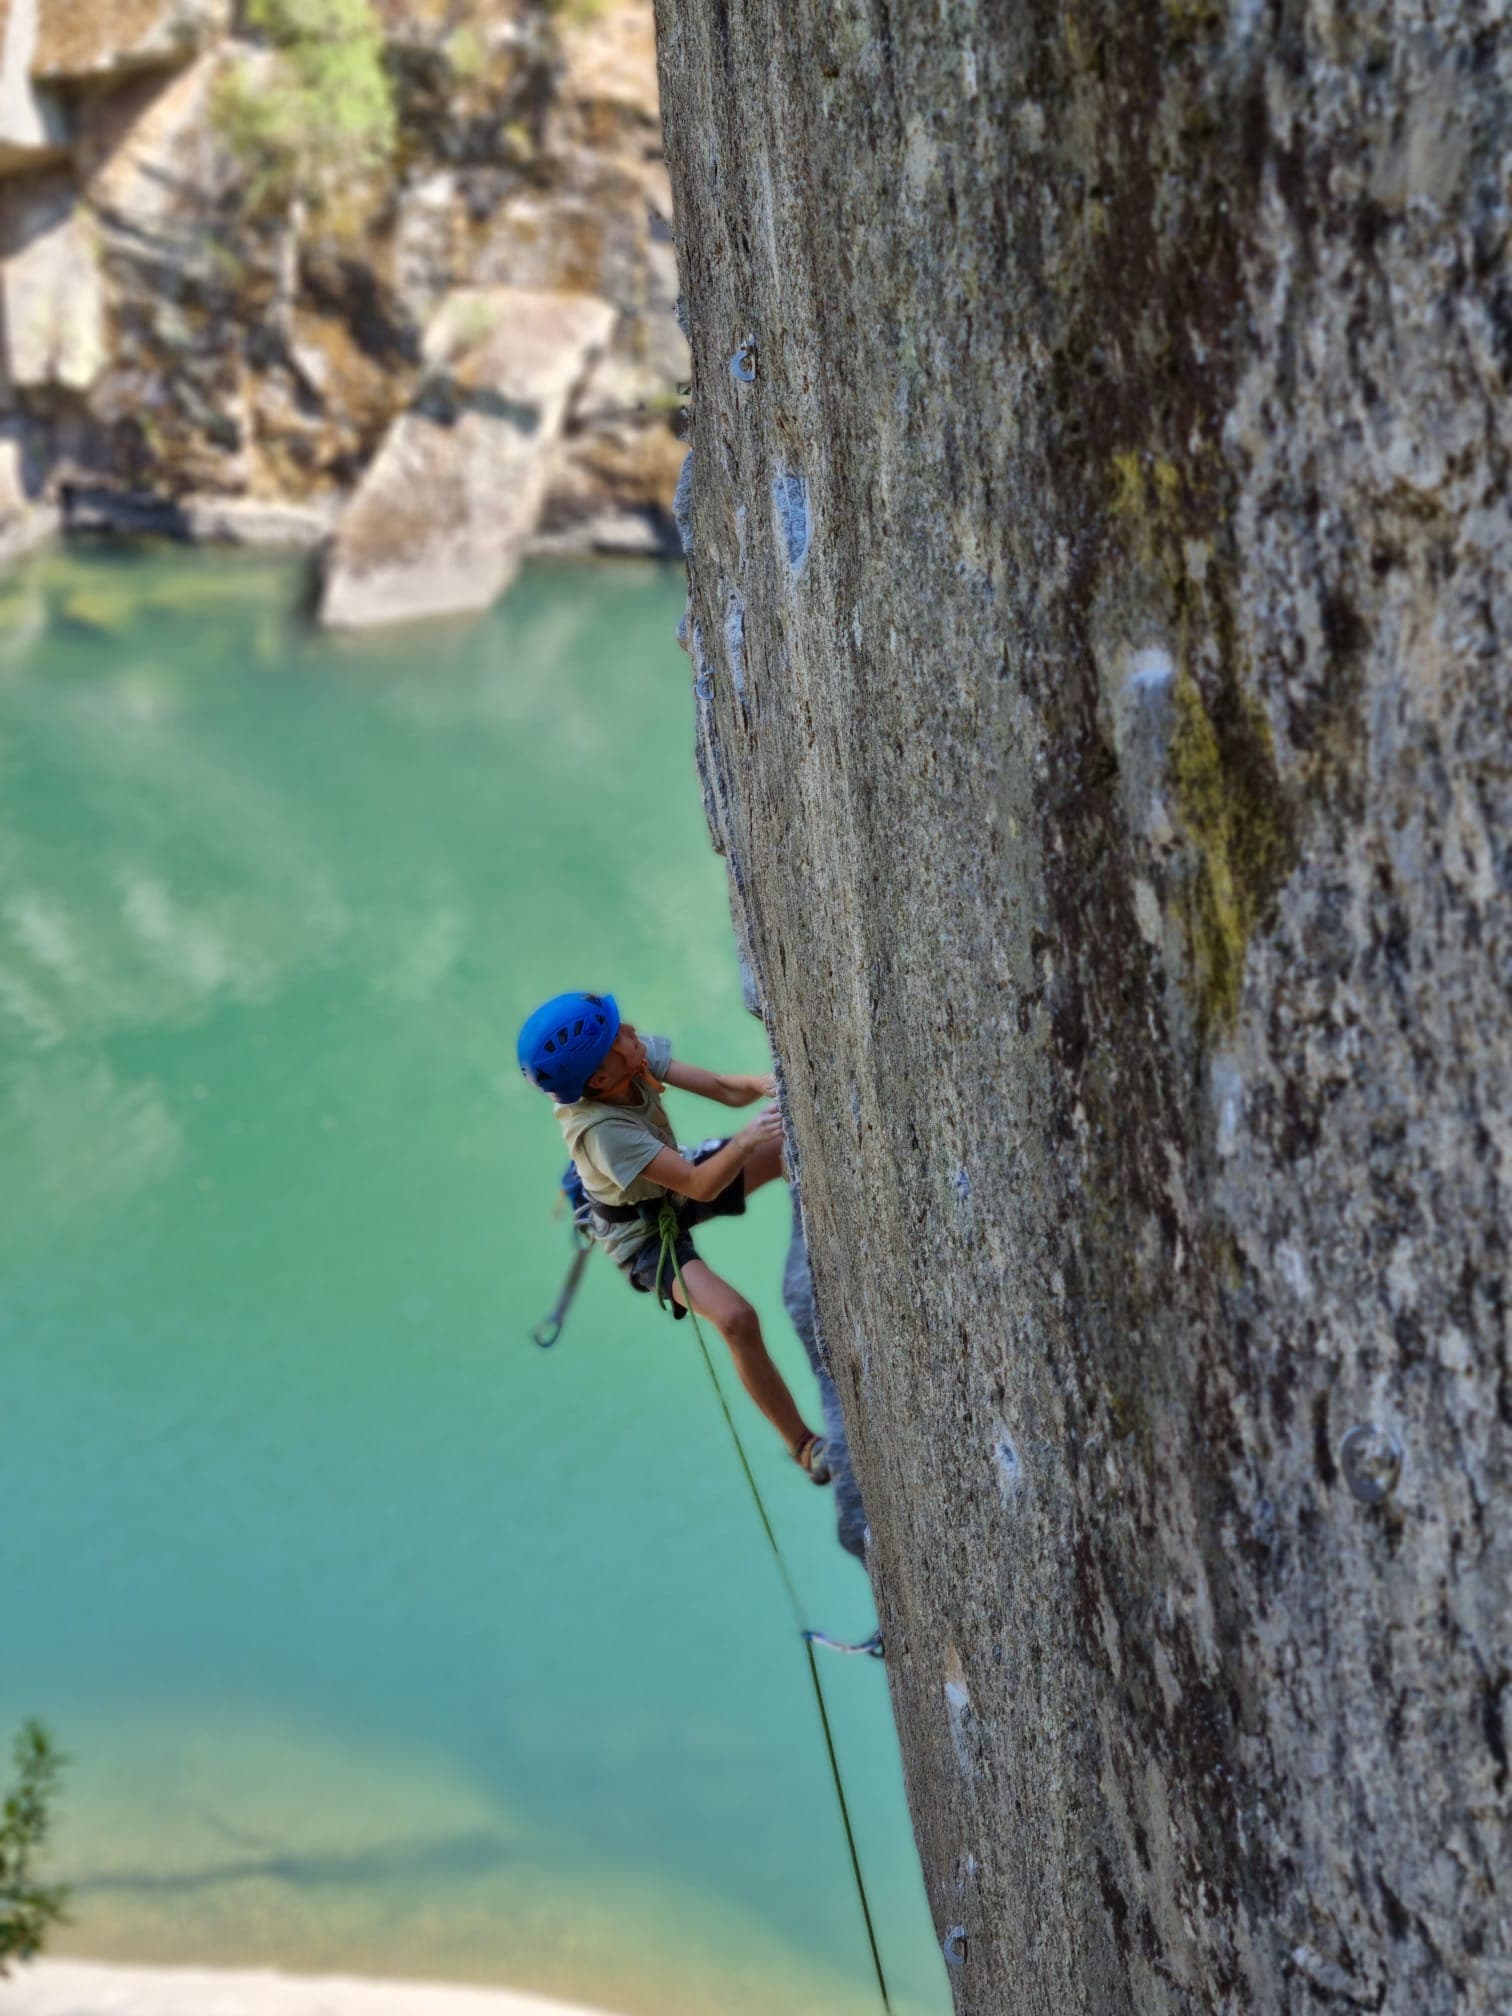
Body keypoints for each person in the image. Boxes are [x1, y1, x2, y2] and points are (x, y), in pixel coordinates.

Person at [518, 990, 832, 1483]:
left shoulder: (626, 1060)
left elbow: (726, 1089)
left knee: (791, 1146)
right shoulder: (603, 1134)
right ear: (599, 1078)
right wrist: (746, 1139)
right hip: (640, 1235)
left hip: (673, 1179)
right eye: (616, 1035)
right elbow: (700, 1183)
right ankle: (803, 1445)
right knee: (736, 1319)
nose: (630, 1032)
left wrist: (768, 1085)